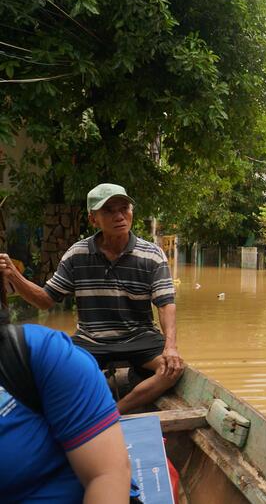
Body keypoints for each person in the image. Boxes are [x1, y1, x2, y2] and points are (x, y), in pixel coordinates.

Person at [0, 183, 184, 414]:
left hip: (140, 337)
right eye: (108, 210)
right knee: (46, 373)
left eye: (124, 208)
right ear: (93, 219)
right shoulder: (78, 254)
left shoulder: (151, 254)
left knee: (172, 370)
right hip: (91, 340)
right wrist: (14, 276)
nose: (119, 216)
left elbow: (165, 304)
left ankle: (113, 412)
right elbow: (45, 300)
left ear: (131, 212)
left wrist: (171, 347)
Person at [0, 316, 130, 502]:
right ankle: (114, 411)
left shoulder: (34, 351)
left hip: (116, 344)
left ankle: (113, 411)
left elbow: (44, 300)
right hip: (96, 344)